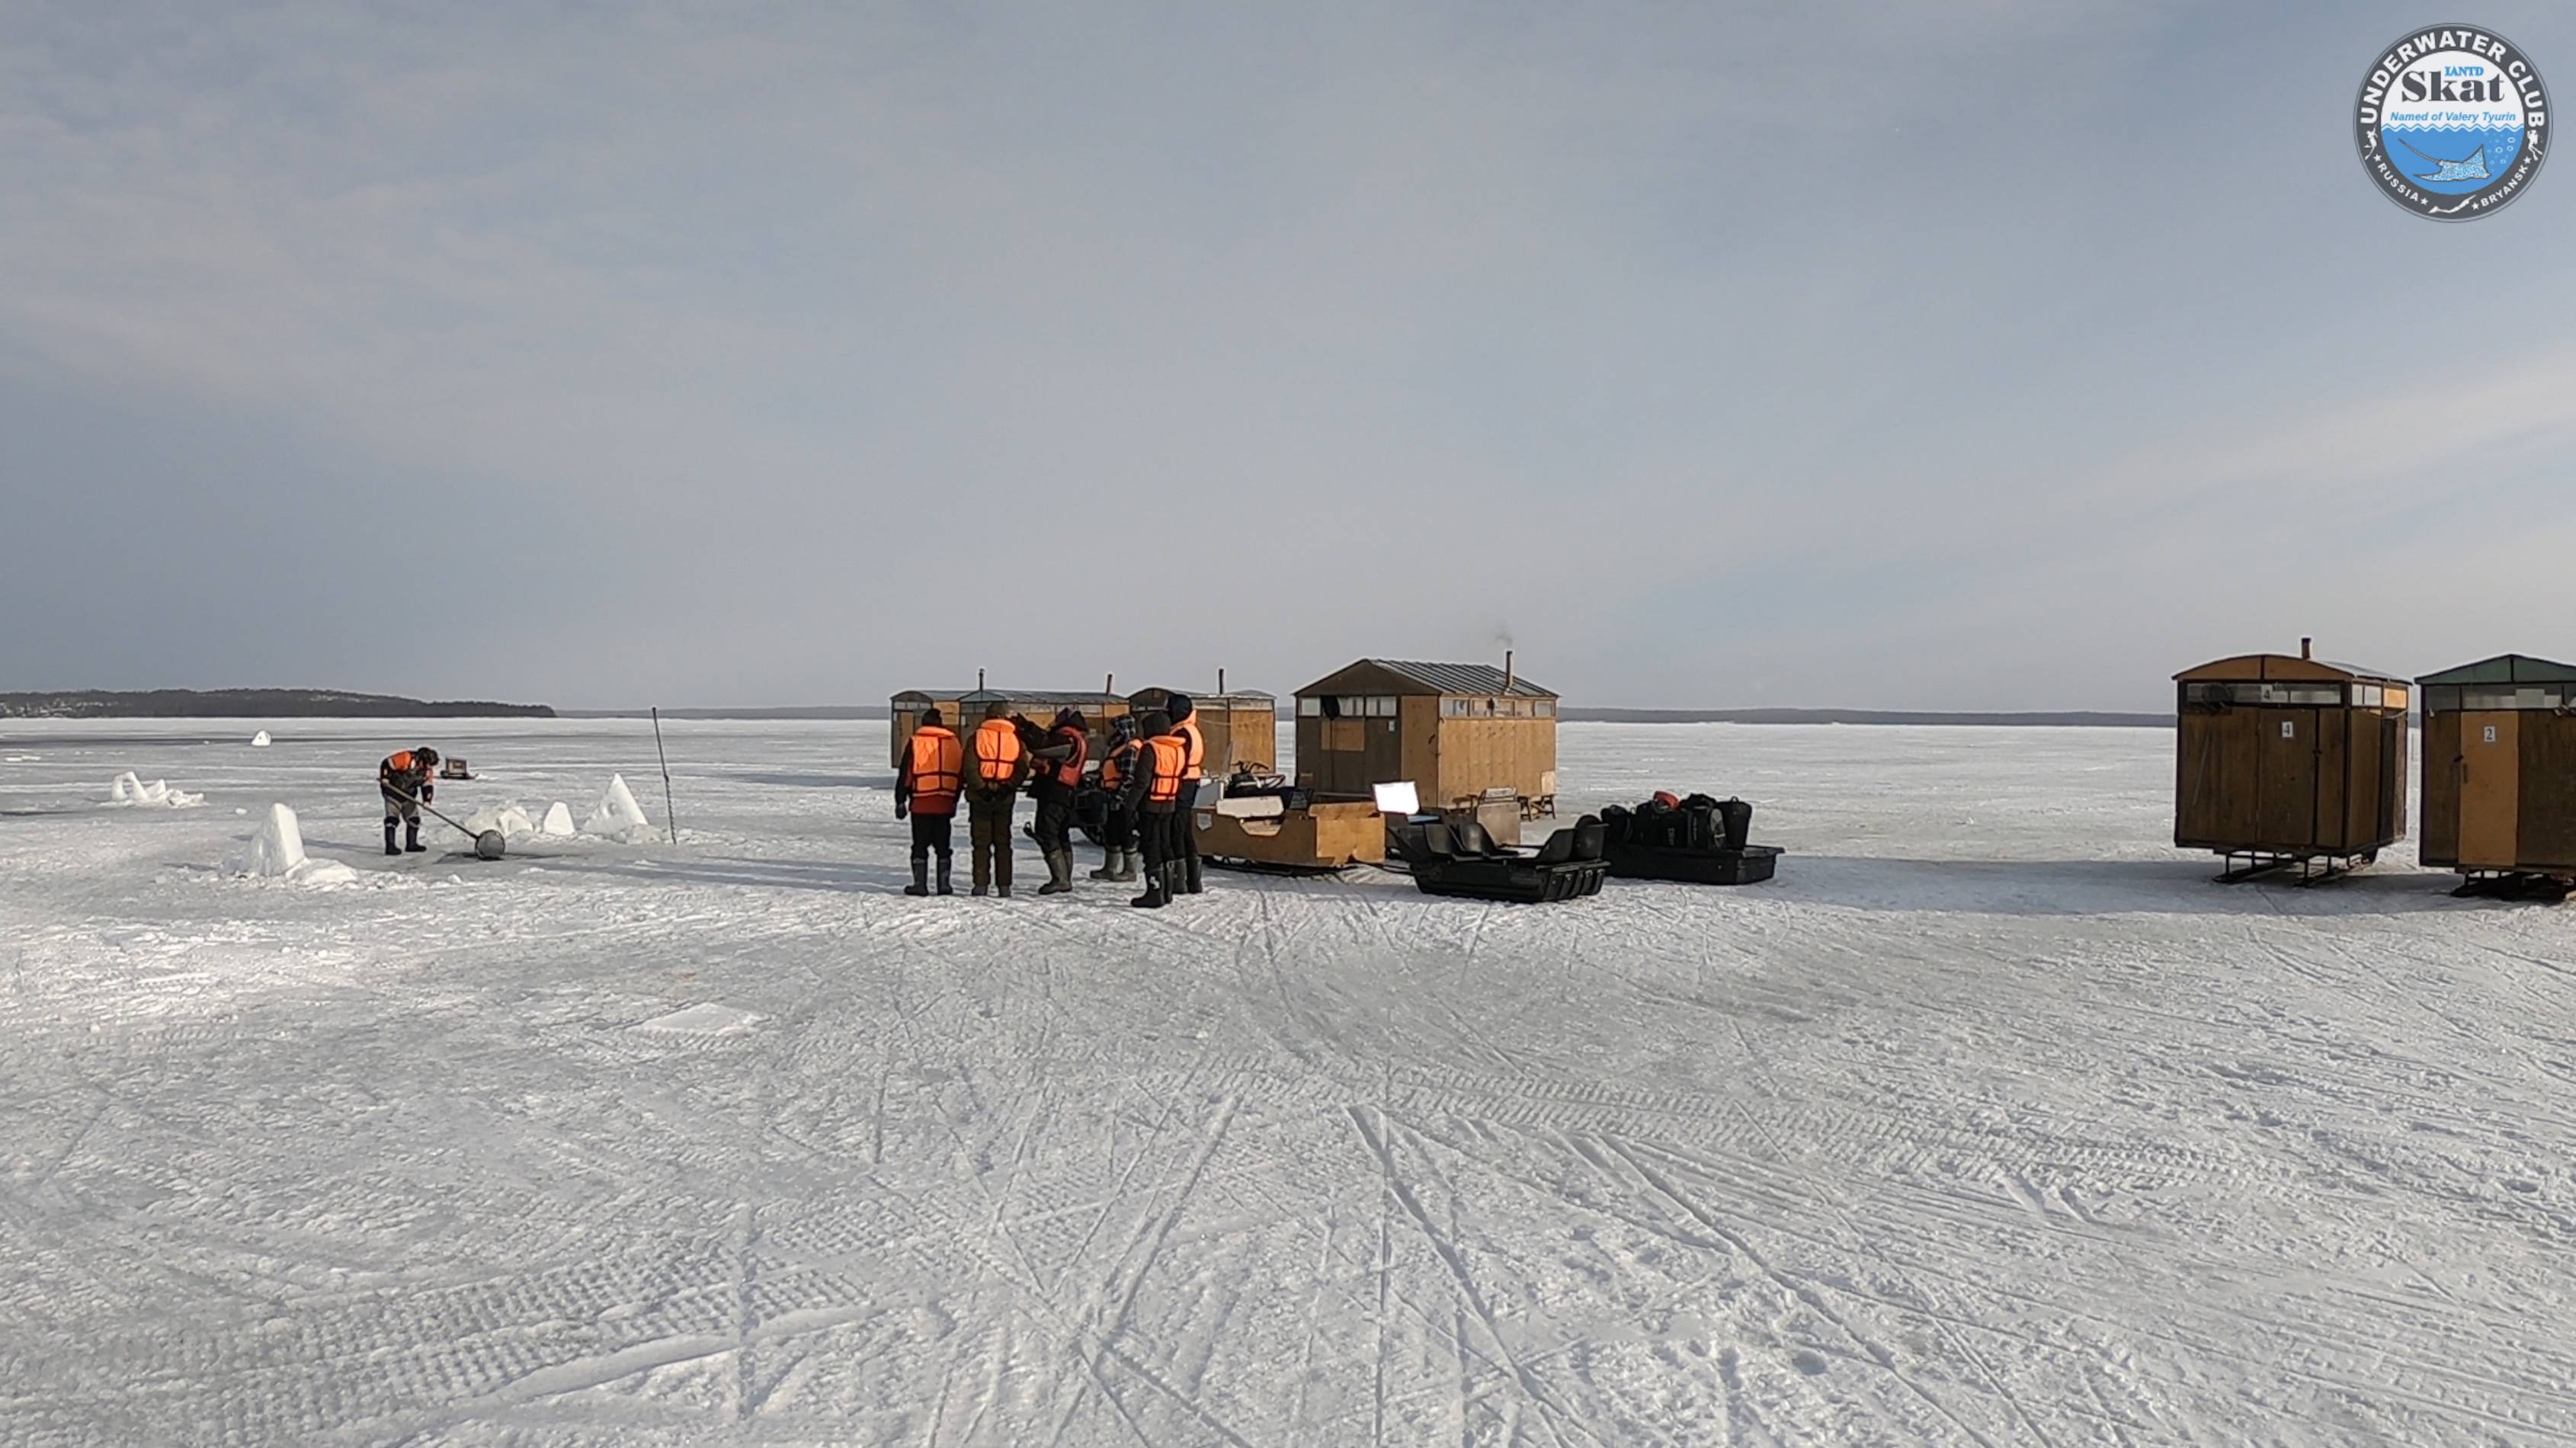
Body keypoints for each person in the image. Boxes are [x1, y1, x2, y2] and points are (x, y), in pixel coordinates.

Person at [1117, 711, 1191, 908]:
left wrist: (1129, 806)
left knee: (1152, 848)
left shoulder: (1151, 748)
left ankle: (1154, 893)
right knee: (1166, 845)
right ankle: (1167, 892)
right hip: (1170, 803)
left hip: (1150, 805)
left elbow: (1141, 782)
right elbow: (1181, 775)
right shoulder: (1178, 749)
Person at [894, 706, 963, 896]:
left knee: (920, 845)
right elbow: (960, 773)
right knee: (943, 847)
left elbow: (906, 774)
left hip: (921, 802)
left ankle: (920, 885)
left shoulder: (916, 742)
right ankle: (944, 885)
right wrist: (955, 800)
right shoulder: (954, 742)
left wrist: (900, 800)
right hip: (945, 801)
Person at [963, 700, 1028, 897]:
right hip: (1005, 798)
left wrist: (982, 788)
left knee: (981, 843)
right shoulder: (1017, 739)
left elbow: (970, 767)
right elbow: (1022, 768)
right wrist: (1007, 787)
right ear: (1004, 716)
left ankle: (980, 884)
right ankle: (1004, 886)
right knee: (1003, 842)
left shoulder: (977, 738)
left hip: (980, 797)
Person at [1028, 707, 1090, 895]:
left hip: (1055, 792)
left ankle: (1061, 879)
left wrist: (1027, 731)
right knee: (1061, 834)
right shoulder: (1077, 738)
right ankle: (1064, 878)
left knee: (1047, 832)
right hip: (1066, 792)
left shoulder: (1067, 738)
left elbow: (1042, 747)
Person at [1089, 715, 1141, 883]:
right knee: (1111, 831)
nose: (1112, 731)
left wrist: (1119, 798)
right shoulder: (1118, 747)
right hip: (1111, 793)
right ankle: (1109, 868)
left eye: (1115, 728)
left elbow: (1129, 777)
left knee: (1126, 832)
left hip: (1124, 797)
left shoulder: (1130, 749)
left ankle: (1130, 870)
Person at [1166, 693, 1207, 894]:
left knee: (1178, 830)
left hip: (1182, 783)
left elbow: (1178, 760)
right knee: (1185, 831)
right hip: (1191, 781)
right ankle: (1193, 881)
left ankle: (1180, 881)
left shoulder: (1181, 733)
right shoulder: (1191, 730)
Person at [377, 745, 441, 856]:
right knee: (392, 819)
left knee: (414, 819)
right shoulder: (406, 758)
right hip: (392, 792)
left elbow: (427, 785)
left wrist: (427, 800)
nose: (429, 768)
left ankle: (411, 844)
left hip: (408, 795)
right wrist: (385, 778)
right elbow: (387, 764)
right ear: (420, 760)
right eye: (427, 764)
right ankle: (390, 846)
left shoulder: (427, 771)